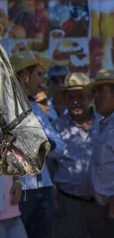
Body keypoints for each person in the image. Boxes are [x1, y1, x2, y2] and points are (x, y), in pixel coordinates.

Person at [9, 50, 66, 238]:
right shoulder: (6, 110)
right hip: (18, 190)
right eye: (38, 74)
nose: (42, 80)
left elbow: (60, 147)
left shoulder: (37, 110)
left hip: (44, 189)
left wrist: (42, 144)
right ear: (25, 76)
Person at [51, 73, 106, 238]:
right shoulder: (56, 128)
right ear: (65, 100)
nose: (75, 101)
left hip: (101, 204)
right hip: (69, 204)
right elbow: (48, 166)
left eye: (80, 96)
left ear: (90, 98)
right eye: (70, 97)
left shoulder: (105, 124)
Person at [87, 69, 114, 231]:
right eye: (94, 91)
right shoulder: (104, 125)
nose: (95, 97)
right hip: (103, 209)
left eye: (100, 91)